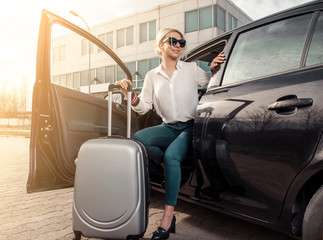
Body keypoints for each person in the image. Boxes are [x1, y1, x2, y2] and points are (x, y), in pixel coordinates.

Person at [117, 28, 225, 240]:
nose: (178, 45)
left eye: (182, 43)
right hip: (169, 127)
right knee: (139, 140)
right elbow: (145, 106)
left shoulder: (191, 68)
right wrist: (129, 96)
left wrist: (213, 70)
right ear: (160, 45)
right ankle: (169, 169)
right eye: (173, 41)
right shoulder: (151, 76)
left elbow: (211, 85)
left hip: (191, 126)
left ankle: (168, 218)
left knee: (171, 155)